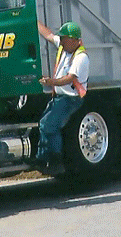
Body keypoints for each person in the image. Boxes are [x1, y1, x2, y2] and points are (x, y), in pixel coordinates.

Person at [33, 21, 90, 175]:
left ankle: (54, 161)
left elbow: (70, 78)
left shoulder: (81, 58)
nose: (61, 41)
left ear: (74, 40)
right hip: (60, 97)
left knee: (49, 125)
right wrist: (34, 20)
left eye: (64, 38)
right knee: (45, 124)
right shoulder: (65, 47)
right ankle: (43, 159)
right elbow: (49, 35)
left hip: (70, 99)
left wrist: (51, 82)